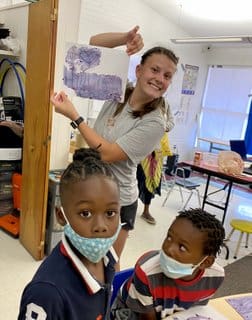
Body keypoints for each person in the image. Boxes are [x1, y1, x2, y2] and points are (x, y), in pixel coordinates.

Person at [50, 25, 179, 261]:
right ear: (139, 70)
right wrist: (125, 38)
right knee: (81, 258)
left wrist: (75, 117)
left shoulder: (155, 123)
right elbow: (93, 43)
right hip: (92, 186)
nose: (160, 79)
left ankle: (107, 297)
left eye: (167, 76)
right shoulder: (118, 91)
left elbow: (107, 154)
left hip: (118, 201)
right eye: (155, 70)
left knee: (108, 262)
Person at [18, 148, 121, 320]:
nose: (101, 227)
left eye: (110, 213)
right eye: (85, 213)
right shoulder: (46, 293)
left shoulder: (109, 256)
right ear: (61, 216)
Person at [111, 208, 225, 320]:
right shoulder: (146, 271)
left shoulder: (215, 277)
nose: (169, 249)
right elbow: (146, 317)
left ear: (205, 262)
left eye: (182, 247)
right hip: (132, 312)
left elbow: (195, 310)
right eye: (169, 237)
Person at [137, 102, 174, 225]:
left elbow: (170, 124)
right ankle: (124, 208)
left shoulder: (165, 104)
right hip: (140, 150)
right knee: (135, 178)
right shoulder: (143, 103)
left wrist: (161, 125)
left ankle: (146, 211)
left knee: (152, 181)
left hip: (156, 153)